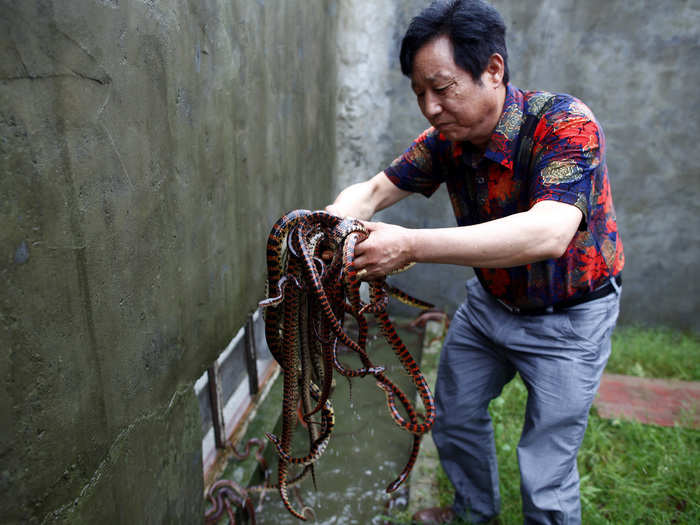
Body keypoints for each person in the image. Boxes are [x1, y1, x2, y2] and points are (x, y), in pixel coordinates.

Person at [325, 0, 624, 523]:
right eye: (419, 93)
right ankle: (474, 515)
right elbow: (373, 190)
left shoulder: (564, 124)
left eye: (441, 88)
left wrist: (411, 245)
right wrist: (329, 224)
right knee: (455, 419)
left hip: (570, 320)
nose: (430, 107)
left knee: (545, 470)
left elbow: (549, 232)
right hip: (490, 308)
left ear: (492, 70)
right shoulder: (446, 141)